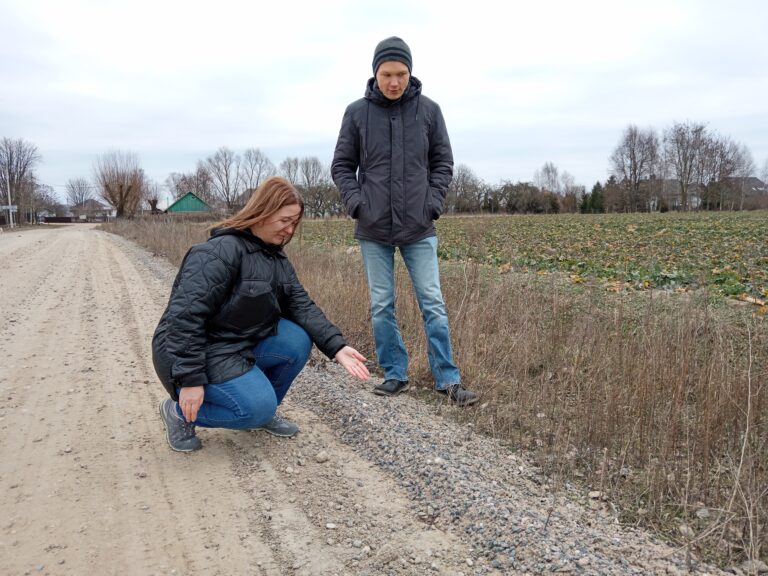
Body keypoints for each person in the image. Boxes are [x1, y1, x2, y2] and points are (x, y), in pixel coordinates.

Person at [152, 176, 370, 452]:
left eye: (294, 223)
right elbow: (184, 318)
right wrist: (190, 379)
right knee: (254, 407)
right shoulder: (217, 253)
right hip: (196, 350)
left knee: (296, 339)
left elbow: (301, 304)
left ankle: (262, 411)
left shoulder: (275, 258)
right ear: (262, 213)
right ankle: (178, 412)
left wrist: (337, 346)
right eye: (284, 221)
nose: (289, 230)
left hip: (235, 345)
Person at [331, 36, 478, 406]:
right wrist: (357, 205)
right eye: (386, 74)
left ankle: (448, 379)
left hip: (418, 226)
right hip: (373, 227)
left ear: (410, 73)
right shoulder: (356, 113)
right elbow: (342, 167)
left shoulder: (429, 111)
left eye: (401, 74)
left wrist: (432, 204)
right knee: (382, 304)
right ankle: (395, 373)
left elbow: (443, 162)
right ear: (374, 74)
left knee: (433, 302)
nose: (393, 82)